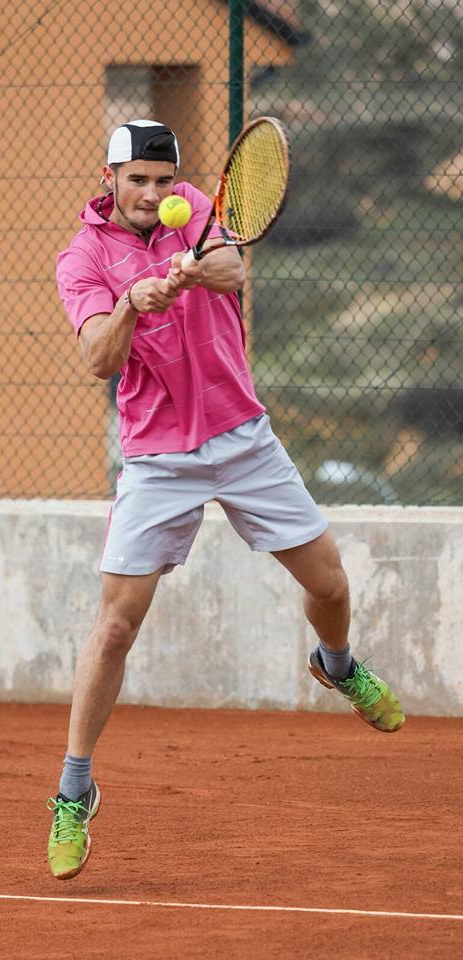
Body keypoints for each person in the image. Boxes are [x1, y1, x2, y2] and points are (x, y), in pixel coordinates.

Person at [47, 119, 404, 882]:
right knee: (113, 629)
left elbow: (230, 273)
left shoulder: (202, 212)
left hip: (243, 438)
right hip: (157, 459)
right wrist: (133, 303)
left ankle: (336, 665)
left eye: (160, 178)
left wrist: (182, 266)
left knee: (329, 584)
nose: (150, 192)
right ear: (108, 179)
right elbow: (95, 359)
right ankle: (74, 791)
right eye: (135, 179)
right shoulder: (82, 258)